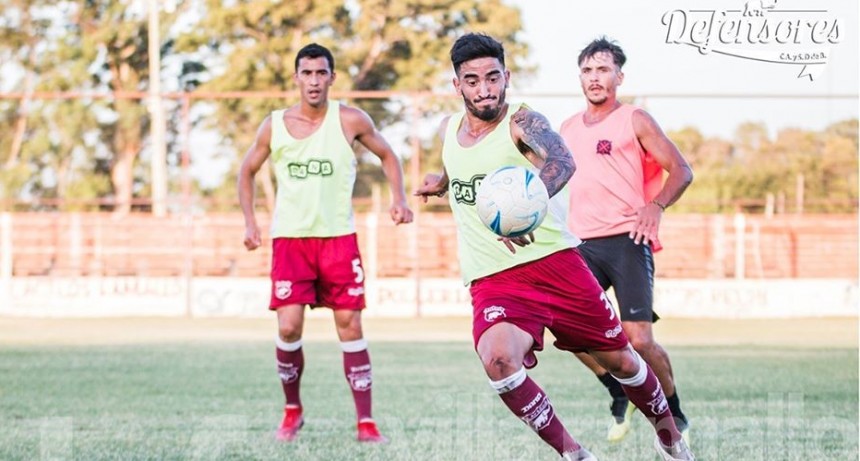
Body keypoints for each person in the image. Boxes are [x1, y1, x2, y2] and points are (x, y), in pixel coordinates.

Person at [415, 33, 694, 461]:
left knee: (624, 360)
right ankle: (575, 454)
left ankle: (670, 436)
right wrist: (443, 182)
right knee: (499, 362)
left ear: (506, 77)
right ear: (458, 85)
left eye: (493, 78)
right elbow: (465, 168)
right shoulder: (448, 130)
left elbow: (563, 161)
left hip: (554, 263)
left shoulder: (523, 122)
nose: (485, 89)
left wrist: (529, 206)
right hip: (492, 276)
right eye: (472, 81)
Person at [238, 43, 413, 443]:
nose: (314, 81)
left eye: (321, 73)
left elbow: (388, 155)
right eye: (307, 73)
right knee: (288, 324)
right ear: (296, 77)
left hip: (338, 240)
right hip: (290, 242)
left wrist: (398, 199)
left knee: (350, 325)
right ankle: (292, 411)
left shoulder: (350, 119)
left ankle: (366, 423)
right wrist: (250, 222)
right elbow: (246, 171)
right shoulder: (274, 125)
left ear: (332, 77)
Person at [559, 37, 694, 443]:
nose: (595, 78)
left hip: (627, 240)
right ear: (580, 78)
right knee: (567, 328)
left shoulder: (635, 119)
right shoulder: (566, 128)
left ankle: (675, 416)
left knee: (639, 339)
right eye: (587, 70)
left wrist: (656, 206)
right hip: (581, 244)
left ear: (619, 76)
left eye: (603, 70)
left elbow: (681, 170)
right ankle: (619, 391)